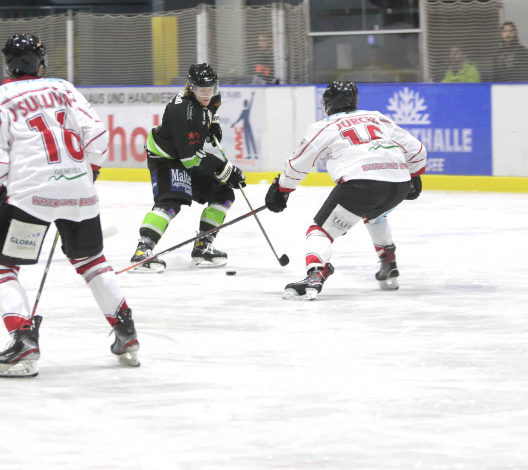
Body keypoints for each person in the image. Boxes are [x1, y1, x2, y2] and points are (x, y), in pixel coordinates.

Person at [0, 33, 139, 378]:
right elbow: (96, 136)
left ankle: (22, 338)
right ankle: (125, 330)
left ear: (8, 64)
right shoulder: (64, 88)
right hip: (79, 190)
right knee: (92, 261)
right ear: (41, 62)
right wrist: (88, 172)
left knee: (0, 267)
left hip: (31, 196)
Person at [264, 81, 426, 300]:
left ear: (328, 104)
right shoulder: (376, 117)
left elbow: (298, 163)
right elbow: (416, 150)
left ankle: (315, 273)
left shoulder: (324, 126)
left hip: (362, 184)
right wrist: (414, 176)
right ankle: (388, 261)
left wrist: (282, 189)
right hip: (398, 182)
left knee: (319, 232)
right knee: (375, 214)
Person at [128, 63, 246, 272]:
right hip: (166, 157)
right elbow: (190, 159)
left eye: (212, 88)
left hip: (186, 154)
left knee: (223, 193)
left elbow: (212, 109)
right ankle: (142, 251)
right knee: (172, 201)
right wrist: (225, 170)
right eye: (203, 90)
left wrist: (213, 125)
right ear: (191, 87)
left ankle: (203, 246)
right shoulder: (183, 111)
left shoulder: (211, 96)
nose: (208, 94)